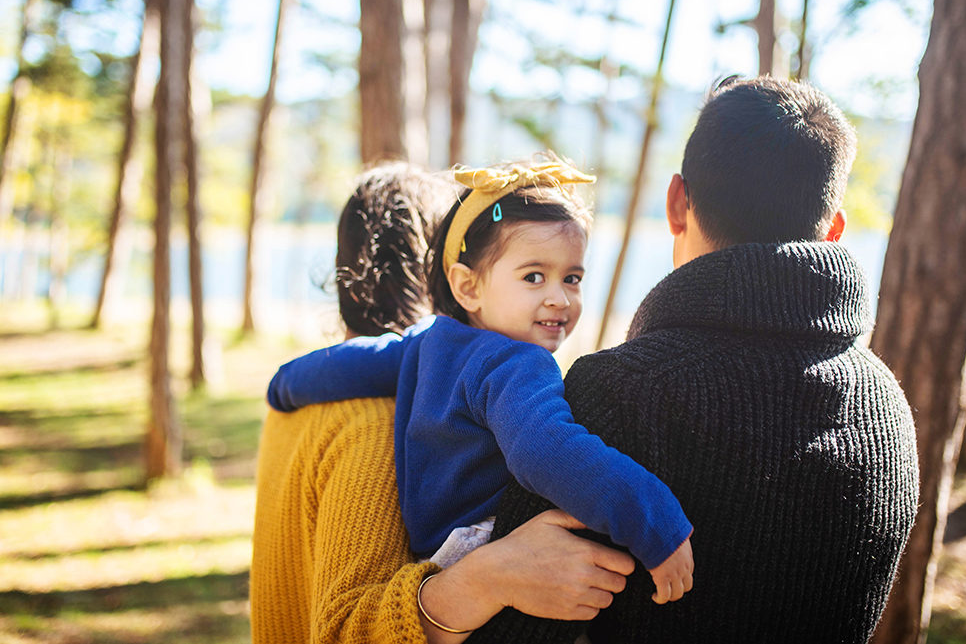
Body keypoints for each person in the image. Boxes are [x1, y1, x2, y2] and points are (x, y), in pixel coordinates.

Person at [468, 76, 921, 644]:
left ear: (677, 200)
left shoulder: (620, 393)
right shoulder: (887, 407)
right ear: (833, 231)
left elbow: (509, 630)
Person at [266, 156, 695, 619]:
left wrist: (285, 385)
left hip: (433, 552)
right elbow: (548, 452)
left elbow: (350, 364)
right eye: (534, 276)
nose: (559, 297)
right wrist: (656, 521)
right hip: (488, 547)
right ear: (467, 287)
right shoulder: (515, 363)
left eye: (572, 277)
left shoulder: (426, 342)